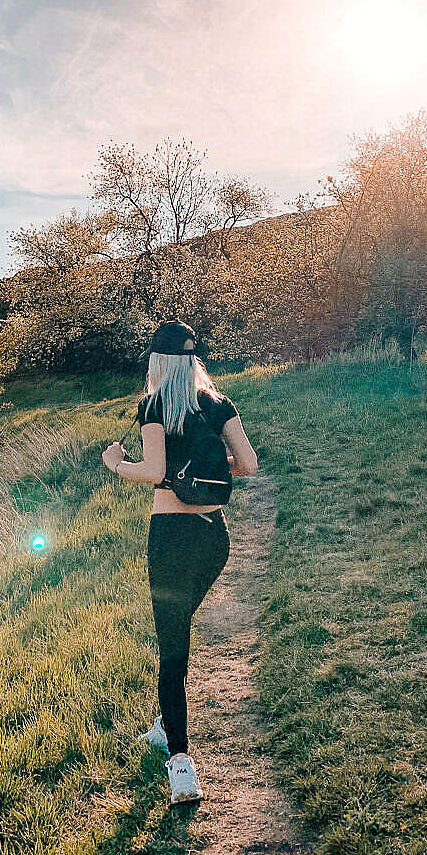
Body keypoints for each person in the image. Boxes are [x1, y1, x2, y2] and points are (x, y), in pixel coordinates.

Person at [101, 318, 258, 804]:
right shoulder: (219, 403)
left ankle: (181, 763)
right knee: (179, 629)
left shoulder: (155, 404)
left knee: (172, 648)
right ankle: (165, 721)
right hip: (215, 538)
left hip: (170, 535)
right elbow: (248, 465)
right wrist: (213, 467)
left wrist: (115, 464)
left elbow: (152, 472)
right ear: (193, 360)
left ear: (157, 361)